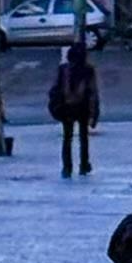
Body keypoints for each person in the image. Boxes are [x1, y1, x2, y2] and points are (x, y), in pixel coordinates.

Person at [47, 29, 101, 176]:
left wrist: (55, 105)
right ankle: (84, 165)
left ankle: (67, 167)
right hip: (82, 107)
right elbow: (93, 92)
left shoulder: (63, 69)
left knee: (67, 138)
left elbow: (55, 88)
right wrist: (94, 113)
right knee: (83, 138)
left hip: (66, 106)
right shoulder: (88, 70)